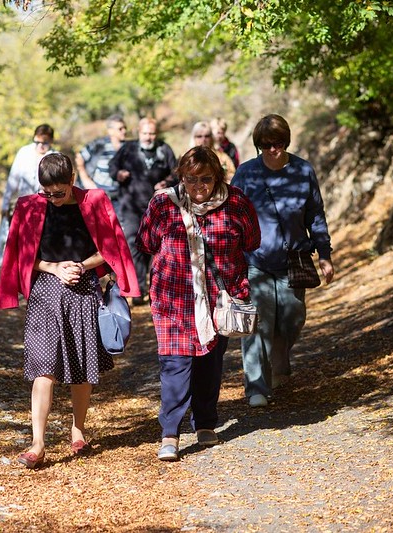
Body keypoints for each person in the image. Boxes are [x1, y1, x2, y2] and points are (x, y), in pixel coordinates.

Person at [0, 153, 139, 469]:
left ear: (72, 180)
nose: (52, 199)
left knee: (79, 364)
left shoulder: (95, 201)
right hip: (45, 292)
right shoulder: (29, 206)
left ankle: (78, 429)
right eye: (47, 192)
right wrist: (53, 267)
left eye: (58, 192)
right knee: (43, 365)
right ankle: (38, 443)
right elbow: (20, 254)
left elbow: (111, 247)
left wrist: (80, 265)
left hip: (84, 289)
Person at [136, 146, 260, 461]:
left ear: (218, 176)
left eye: (205, 178)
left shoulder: (236, 203)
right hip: (173, 298)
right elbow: (147, 242)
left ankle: (205, 423)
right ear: (182, 177)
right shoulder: (164, 203)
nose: (198, 186)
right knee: (175, 365)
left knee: (209, 362)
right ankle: (170, 433)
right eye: (191, 179)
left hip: (220, 299)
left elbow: (252, 240)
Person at [231, 114, 335, 408]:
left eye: (277, 143)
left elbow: (315, 214)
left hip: (294, 259)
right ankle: (256, 388)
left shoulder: (302, 171)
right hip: (255, 260)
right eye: (265, 145)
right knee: (258, 324)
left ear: (286, 141)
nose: (272, 150)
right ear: (258, 146)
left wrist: (325, 254)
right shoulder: (246, 174)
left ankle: (280, 360)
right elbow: (232, 215)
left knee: (291, 319)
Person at [109, 117, 177, 305]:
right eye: (145, 133)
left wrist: (168, 182)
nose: (148, 137)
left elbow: (177, 171)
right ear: (139, 132)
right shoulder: (128, 149)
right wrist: (118, 174)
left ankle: (158, 288)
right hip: (131, 205)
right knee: (134, 245)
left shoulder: (164, 149)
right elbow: (112, 167)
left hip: (157, 207)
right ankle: (138, 290)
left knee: (157, 247)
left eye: (152, 133)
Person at [0, 124, 56, 267]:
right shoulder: (24, 152)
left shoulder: (55, 156)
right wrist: (6, 203)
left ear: (51, 141)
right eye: (37, 142)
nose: (40, 146)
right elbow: (13, 179)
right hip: (23, 203)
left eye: (45, 143)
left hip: (45, 207)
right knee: (17, 236)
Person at [75, 114, 126, 210]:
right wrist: (86, 180)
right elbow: (79, 158)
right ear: (110, 131)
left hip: (119, 197)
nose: (124, 131)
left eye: (125, 128)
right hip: (98, 194)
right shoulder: (99, 144)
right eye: (120, 129)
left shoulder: (128, 147)